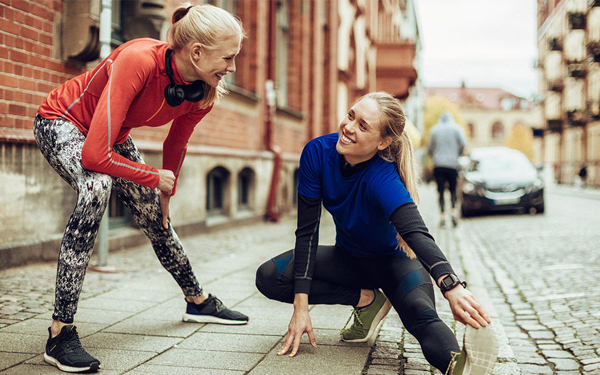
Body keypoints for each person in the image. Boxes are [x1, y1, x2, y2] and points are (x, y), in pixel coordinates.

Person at [34, 4, 249, 373]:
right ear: (196, 52)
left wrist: (164, 194)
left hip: (109, 136)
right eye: (228, 57)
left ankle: (197, 301)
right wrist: (153, 176)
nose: (232, 67)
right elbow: (95, 154)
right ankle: (60, 333)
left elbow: (175, 146)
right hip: (62, 123)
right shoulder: (138, 60)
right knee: (97, 186)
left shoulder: (202, 89)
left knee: (154, 214)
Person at [255, 92, 498, 374]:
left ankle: (460, 367)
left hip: (395, 265)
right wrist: (301, 307)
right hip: (347, 261)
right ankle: (367, 299)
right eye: (351, 116)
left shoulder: (382, 176)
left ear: (383, 142)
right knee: (269, 276)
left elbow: (416, 231)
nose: (348, 127)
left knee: (421, 316)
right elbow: (307, 233)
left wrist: (451, 285)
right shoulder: (317, 154)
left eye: (363, 126)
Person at [427, 111, 467, 228]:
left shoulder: (434, 130)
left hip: (438, 165)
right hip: (453, 164)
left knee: (440, 191)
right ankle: (453, 211)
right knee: (453, 189)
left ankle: (443, 216)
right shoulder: (457, 129)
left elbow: (430, 148)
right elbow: (464, 144)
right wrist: (456, 154)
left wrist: (435, 156)